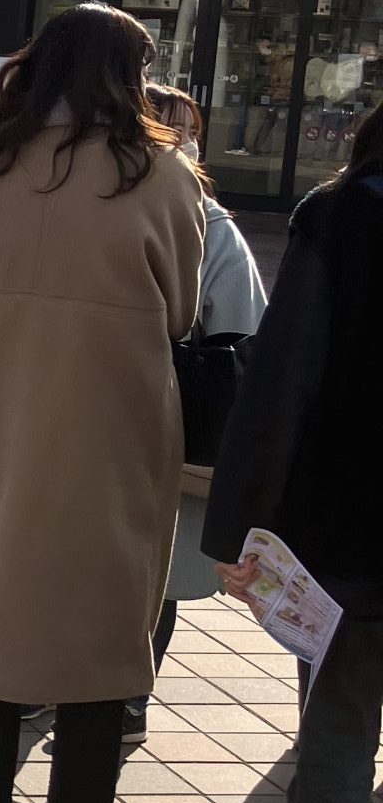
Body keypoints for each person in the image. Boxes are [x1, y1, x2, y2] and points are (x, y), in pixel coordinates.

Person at [0, 4, 204, 803]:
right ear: (125, 74)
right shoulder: (159, 170)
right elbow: (184, 308)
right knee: (101, 621)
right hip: (113, 415)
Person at [205, 100, 383, 803]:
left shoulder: (344, 216)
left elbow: (284, 383)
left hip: (353, 537)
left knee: (339, 747)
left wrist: (240, 528)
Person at [126, 84, 267, 743]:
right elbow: (245, 335)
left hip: (159, 427)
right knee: (148, 568)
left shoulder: (211, 225)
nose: (184, 144)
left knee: (152, 573)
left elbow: (243, 331)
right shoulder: (204, 223)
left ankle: (121, 695)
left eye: (190, 132)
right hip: (164, 421)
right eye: (169, 129)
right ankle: (117, 698)